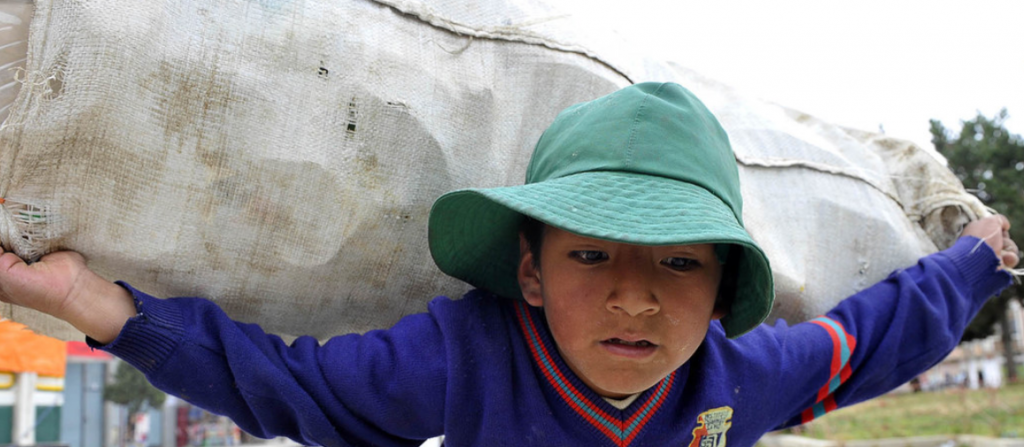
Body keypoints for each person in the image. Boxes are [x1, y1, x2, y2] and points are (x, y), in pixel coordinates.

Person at [0, 82, 1018, 447]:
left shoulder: (734, 382)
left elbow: (863, 342)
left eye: (676, 261)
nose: (633, 295)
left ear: (723, 289)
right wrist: (103, 307)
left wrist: (970, 268)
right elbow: (297, 389)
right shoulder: (462, 361)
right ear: (526, 273)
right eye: (587, 253)